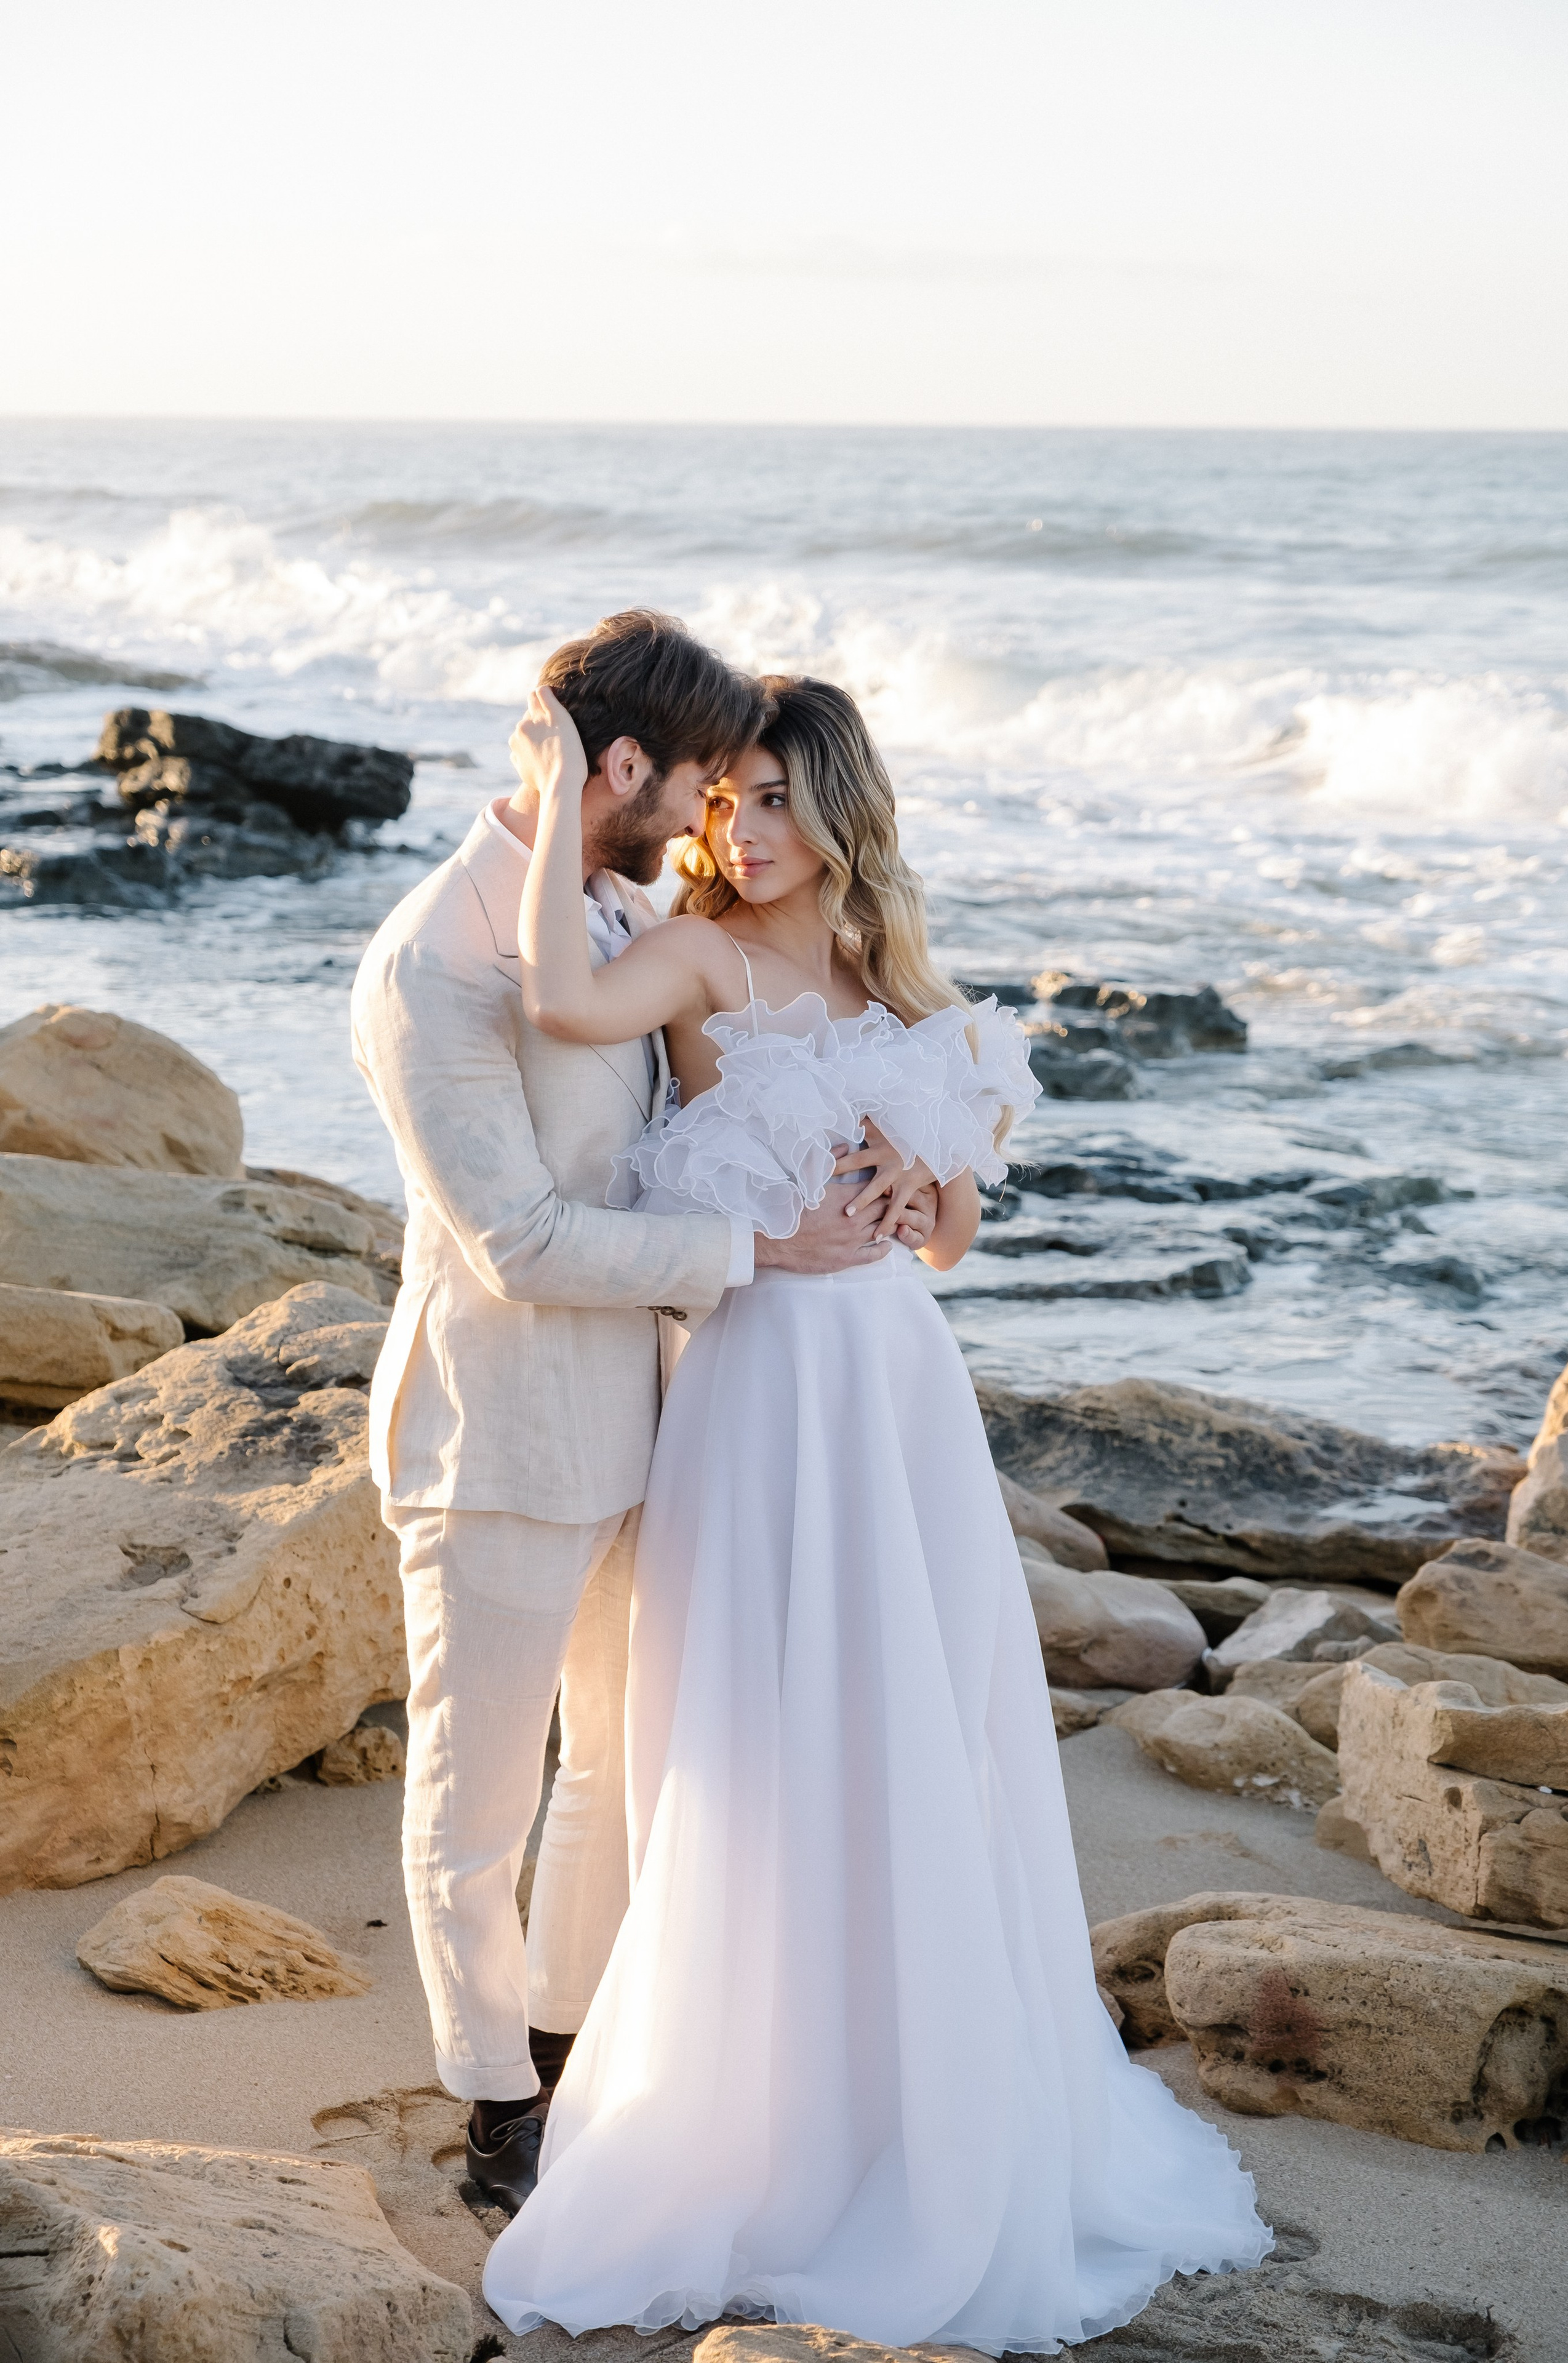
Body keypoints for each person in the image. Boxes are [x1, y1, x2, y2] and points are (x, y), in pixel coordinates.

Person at [481, 674, 1271, 2353]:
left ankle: (923, 2105)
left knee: (918, 1728)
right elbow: (557, 998)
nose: (741, 828)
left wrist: (924, 1184)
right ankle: (768, 2123)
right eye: (725, 800)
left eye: (774, 798)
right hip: (763, 1391)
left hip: (899, 1394)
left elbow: (954, 1234)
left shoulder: (900, 980)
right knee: (762, 1739)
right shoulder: (699, 960)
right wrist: (555, 793)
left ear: (841, 811)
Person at [351, 613, 930, 2218]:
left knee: (614, 1769)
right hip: (502, 1434)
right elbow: (520, 1242)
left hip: (663, 1422)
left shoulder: (617, 912)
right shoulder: (433, 961)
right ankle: (493, 2104)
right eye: (697, 786)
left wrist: (895, 1151)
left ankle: (570, 2041)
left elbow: (727, 1104)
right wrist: (763, 1253)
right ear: (621, 768)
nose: (708, 821)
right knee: (476, 1800)